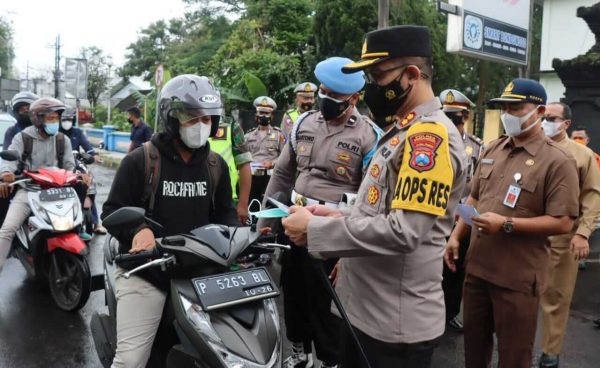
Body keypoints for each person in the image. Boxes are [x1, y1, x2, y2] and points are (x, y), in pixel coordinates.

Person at [282, 26, 466, 368]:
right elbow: (382, 210)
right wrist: (337, 217)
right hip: (368, 313)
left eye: (378, 76)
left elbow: (404, 231)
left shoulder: (429, 138)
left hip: (393, 327)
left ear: (411, 75)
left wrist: (316, 232)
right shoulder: (401, 131)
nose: (370, 88)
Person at [102, 74, 237, 368]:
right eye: (191, 117)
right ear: (171, 118)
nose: (200, 125)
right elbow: (112, 211)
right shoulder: (140, 161)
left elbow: (226, 213)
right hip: (148, 270)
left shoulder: (216, 166)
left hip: (200, 272)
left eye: (207, 119)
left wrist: (242, 240)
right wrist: (140, 230)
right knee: (131, 360)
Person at [444, 79, 580, 368]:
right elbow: (474, 197)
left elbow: (563, 221)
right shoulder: (493, 150)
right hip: (478, 270)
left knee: (514, 357)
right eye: (504, 107)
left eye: (516, 107)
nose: (507, 113)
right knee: (474, 353)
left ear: (540, 111)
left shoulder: (557, 161)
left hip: (516, 277)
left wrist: (506, 223)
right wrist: (457, 235)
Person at [260, 56, 381, 368]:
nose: (326, 99)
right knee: (294, 290)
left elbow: (373, 195)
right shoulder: (303, 123)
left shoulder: (369, 135)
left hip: (333, 229)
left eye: (336, 96)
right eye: (323, 91)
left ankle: (329, 360)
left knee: (325, 300)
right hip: (293, 219)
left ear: (354, 98)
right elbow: (283, 174)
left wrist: (350, 247)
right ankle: (300, 352)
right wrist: (265, 216)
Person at [537, 102, 600, 368]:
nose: (544, 122)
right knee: (518, 294)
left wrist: (583, 233)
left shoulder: (582, 155)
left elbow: (592, 195)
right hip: (523, 233)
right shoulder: (530, 147)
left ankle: (550, 353)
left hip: (563, 236)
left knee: (556, 297)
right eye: (542, 116)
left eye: (551, 118)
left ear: (566, 124)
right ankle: (516, 347)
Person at [0, 97, 79, 274]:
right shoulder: (23, 137)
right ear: (37, 118)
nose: (55, 122)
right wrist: (6, 174)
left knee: (74, 222)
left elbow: (69, 166)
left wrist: (79, 175)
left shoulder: (62, 140)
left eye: (56, 118)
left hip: (57, 191)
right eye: (50, 118)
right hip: (29, 191)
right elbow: (9, 162)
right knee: (8, 228)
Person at [438, 88, 483, 333]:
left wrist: (465, 214)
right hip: (434, 214)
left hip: (463, 215)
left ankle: (451, 312)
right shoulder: (433, 140)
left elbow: (478, 189)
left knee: (456, 268)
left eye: (454, 118)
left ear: (464, 117)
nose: (450, 123)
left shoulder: (476, 148)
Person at [59, 106, 107, 235]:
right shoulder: (56, 133)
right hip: (59, 166)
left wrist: (93, 155)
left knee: (88, 186)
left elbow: (87, 147)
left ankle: (96, 223)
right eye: (64, 119)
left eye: (69, 119)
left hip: (76, 163)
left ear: (73, 120)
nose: (66, 122)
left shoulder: (77, 132)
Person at [0, 91, 39, 227]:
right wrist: (6, 175)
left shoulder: (44, 130)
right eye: (21, 108)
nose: (25, 111)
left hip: (47, 177)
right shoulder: (12, 131)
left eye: (28, 107)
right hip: (21, 176)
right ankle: (4, 229)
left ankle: (78, 225)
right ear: (15, 111)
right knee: (2, 191)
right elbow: (9, 155)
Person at [209, 113, 253, 224]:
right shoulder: (185, 123)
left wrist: (243, 204)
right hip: (194, 196)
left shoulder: (230, 125)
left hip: (227, 200)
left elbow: (244, 164)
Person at [245, 96, 286, 203]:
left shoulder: (278, 135)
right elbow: (244, 155)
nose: (263, 116)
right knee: (252, 204)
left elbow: (285, 156)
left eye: (267, 113)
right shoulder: (248, 136)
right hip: (252, 178)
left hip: (270, 178)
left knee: (268, 205)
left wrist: (272, 163)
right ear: (256, 115)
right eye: (261, 112)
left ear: (271, 116)